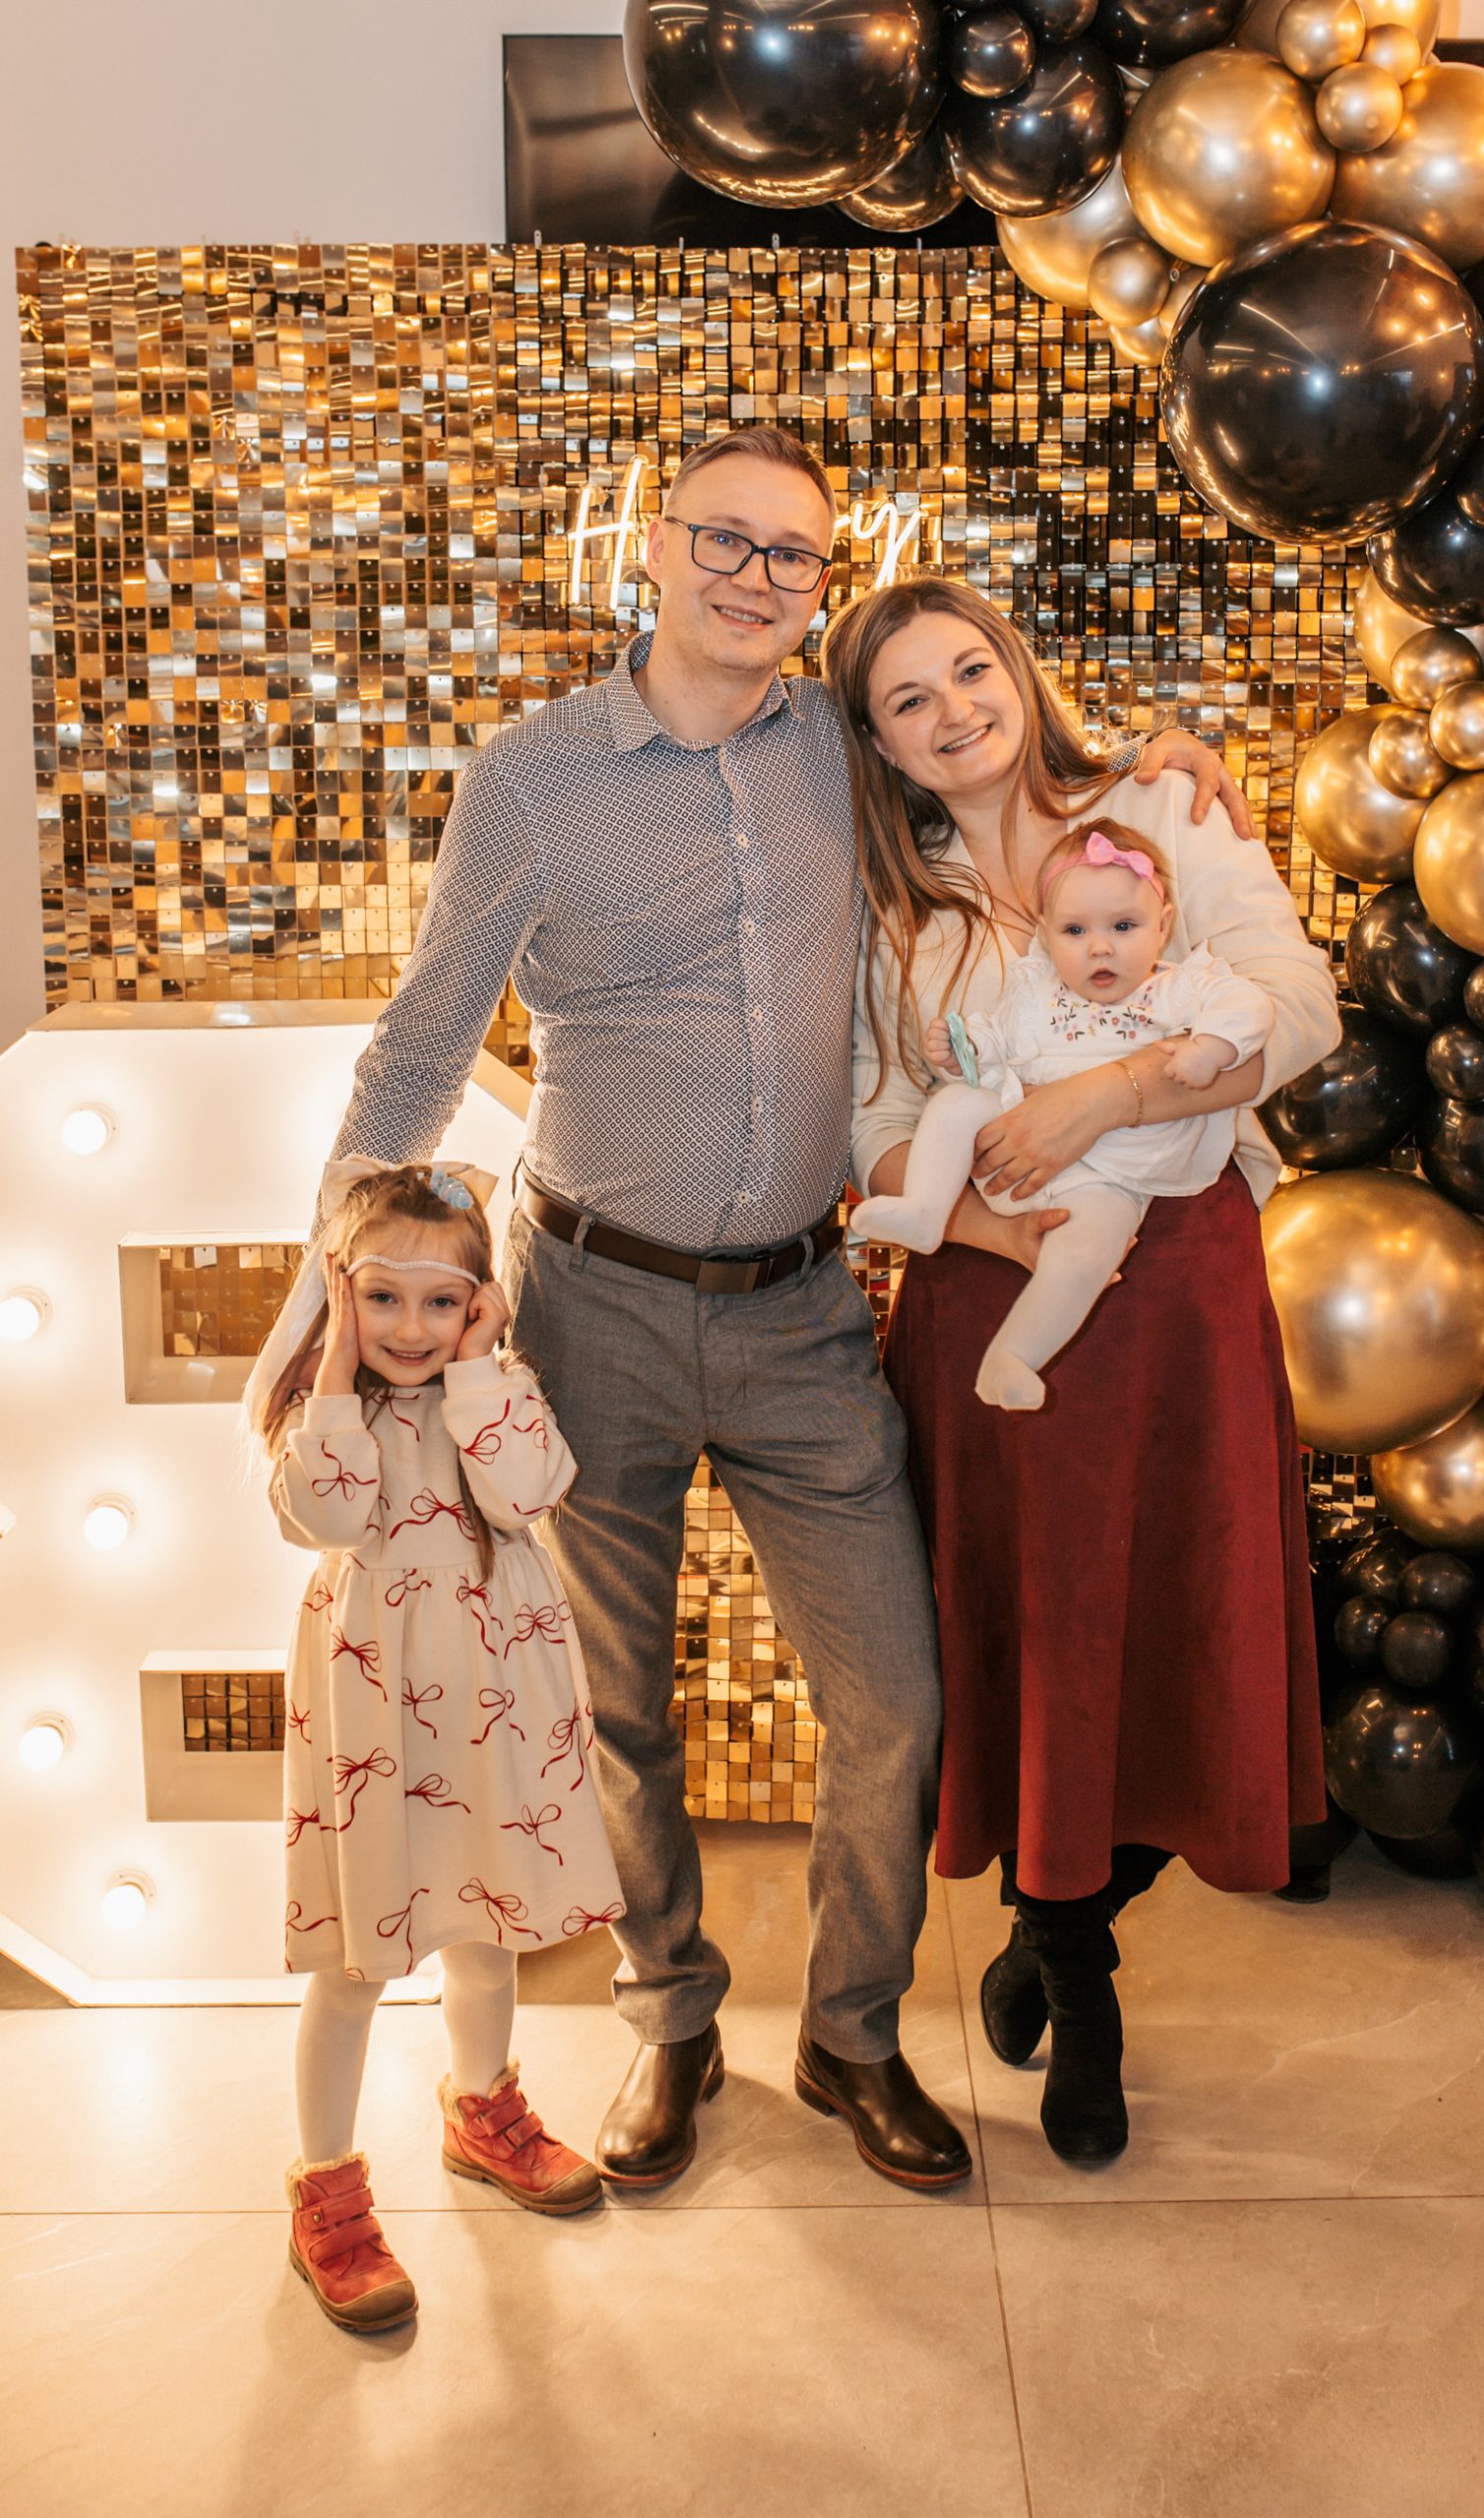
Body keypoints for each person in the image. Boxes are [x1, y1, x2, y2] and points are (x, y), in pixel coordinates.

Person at [322, 422, 1241, 2193]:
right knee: (616, 1706)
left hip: (806, 1308)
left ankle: (850, 2033)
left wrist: (1153, 766)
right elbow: (426, 1038)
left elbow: (1004, 773)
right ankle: (671, 2017)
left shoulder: (842, 743)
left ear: (823, 581)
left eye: (793, 554)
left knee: (894, 1696)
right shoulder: (532, 776)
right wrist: (327, 1290)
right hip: (586, 1303)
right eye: (723, 540)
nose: (755, 577)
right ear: (654, 546)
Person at [826, 574, 1337, 2170]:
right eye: (909, 700)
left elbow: (1300, 1013)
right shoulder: (889, 903)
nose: (953, 712)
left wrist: (1105, 1098)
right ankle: (1076, 1980)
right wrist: (980, 1214)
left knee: (1186, 1629)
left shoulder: (1162, 809)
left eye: (969, 670)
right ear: (877, 743)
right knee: (1029, 1644)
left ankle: (1060, 1925)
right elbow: (867, 1114)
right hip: (992, 1314)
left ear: (1017, 668)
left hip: (1180, 1297)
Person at [249, 1160, 623, 2332]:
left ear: (478, 1302)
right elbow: (328, 1514)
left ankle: (481, 2109)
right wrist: (334, 1369)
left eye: (441, 1301)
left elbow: (529, 1490)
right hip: (378, 1708)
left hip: (491, 1700)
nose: (411, 1327)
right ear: (340, 1291)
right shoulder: (323, 1412)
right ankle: (326, 2185)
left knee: (487, 1922)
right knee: (355, 1962)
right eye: (382, 1297)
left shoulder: (493, 1389)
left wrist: (480, 1364)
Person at [852, 815, 1275, 1409]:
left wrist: (1212, 1047)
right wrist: (960, 1050)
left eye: (1123, 926)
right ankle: (925, 1210)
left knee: (1087, 1255)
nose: (1100, 946)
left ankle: (1014, 1357)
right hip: (1010, 1162)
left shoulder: (1175, 988)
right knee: (955, 1103)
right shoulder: (1037, 993)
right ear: (1046, 935)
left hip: (1111, 1177)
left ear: (1163, 925)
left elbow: (1249, 1005)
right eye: (1075, 930)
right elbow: (992, 1043)